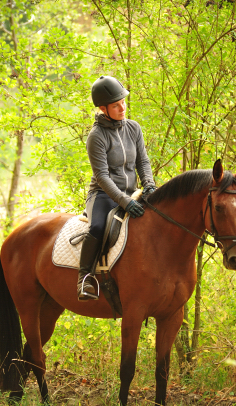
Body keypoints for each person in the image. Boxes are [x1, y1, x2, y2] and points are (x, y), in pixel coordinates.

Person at [77, 75, 156, 301]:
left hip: (133, 192)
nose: (122, 107)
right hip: (103, 195)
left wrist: (149, 184)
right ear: (103, 108)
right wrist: (125, 201)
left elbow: (143, 161)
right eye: (116, 105)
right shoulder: (96, 137)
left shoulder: (133, 128)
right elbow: (102, 176)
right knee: (98, 227)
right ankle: (84, 278)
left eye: (123, 102)